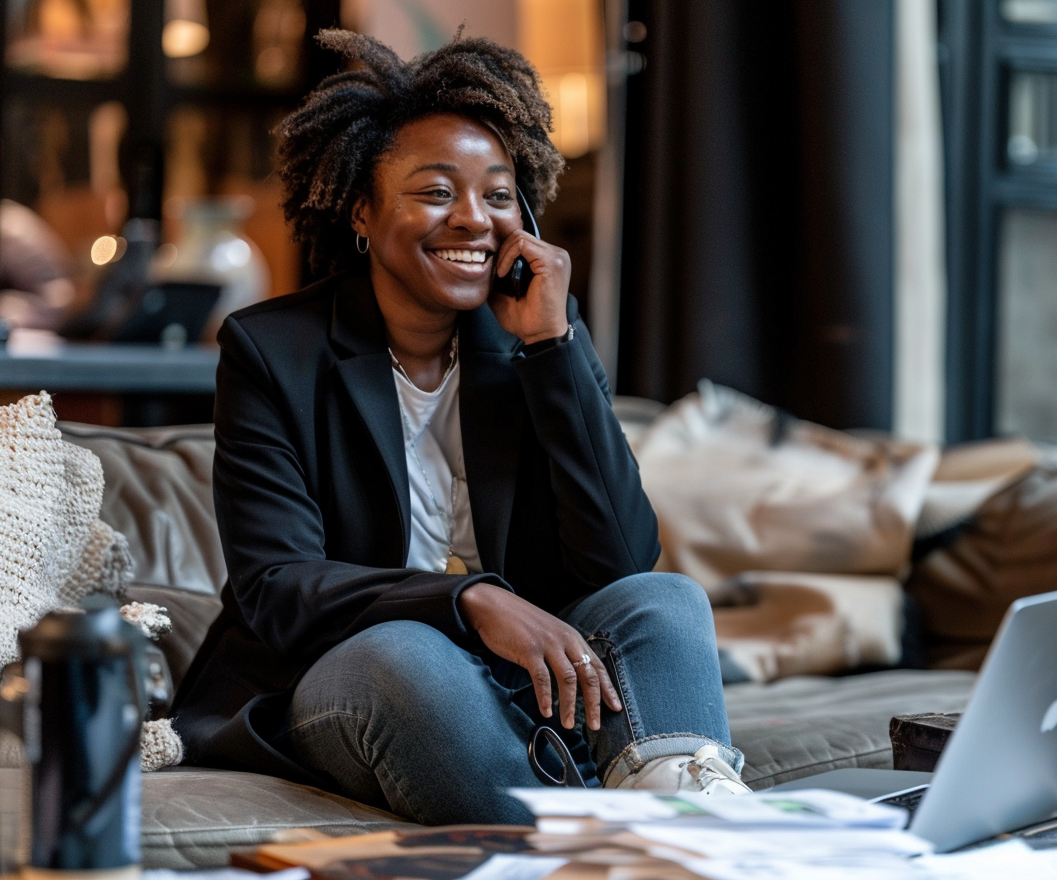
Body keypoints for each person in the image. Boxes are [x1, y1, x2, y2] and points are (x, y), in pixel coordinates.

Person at [171, 29, 748, 826]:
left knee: (663, 600)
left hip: (529, 692)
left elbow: (617, 557)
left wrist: (553, 347)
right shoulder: (274, 351)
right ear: (362, 212)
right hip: (351, 679)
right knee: (406, 653)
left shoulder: (536, 341)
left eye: (499, 194)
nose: (474, 220)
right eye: (436, 192)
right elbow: (277, 586)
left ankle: (694, 828)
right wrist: (468, 599)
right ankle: (586, 835)